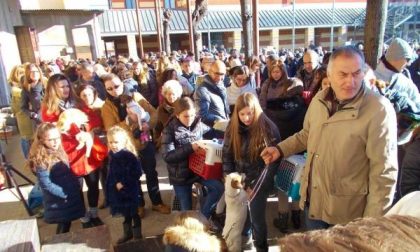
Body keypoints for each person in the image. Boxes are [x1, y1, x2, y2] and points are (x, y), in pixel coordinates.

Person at [261, 46, 398, 230]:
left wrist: (372, 226)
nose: (351, 81)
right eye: (343, 74)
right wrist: (279, 149)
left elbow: (383, 174)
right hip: (314, 205)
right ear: (329, 75)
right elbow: (307, 134)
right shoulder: (320, 99)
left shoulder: (378, 110)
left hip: (348, 217)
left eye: (357, 73)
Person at [42, 74, 108, 228]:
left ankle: (93, 213)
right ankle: (84, 217)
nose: (65, 89)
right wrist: (70, 130)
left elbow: (92, 119)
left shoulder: (77, 102)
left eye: (67, 86)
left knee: (93, 184)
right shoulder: (48, 108)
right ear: (53, 89)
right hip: (68, 154)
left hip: (87, 151)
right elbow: (50, 131)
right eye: (61, 87)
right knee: (76, 187)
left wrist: (87, 129)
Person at [101, 73, 171, 217]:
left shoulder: (136, 96)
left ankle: (157, 202)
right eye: (110, 89)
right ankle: (139, 205)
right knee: (132, 177)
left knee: (151, 173)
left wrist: (147, 124)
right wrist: (130, 123)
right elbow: (111, 129)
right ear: (105, 90)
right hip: (126, 147)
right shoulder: (107, 107)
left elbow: (153, 113)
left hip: (145, 142)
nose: (114, 90)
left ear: (122, 83)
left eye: (117, 86)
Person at [223, 92, 281, 251]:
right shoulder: (232, 126)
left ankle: (262, 247)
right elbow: (227, 155)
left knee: (257, 219)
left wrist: (255, 187)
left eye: (250, 113)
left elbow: (273, 163)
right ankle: (246, 241)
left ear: (256, 110)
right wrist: (230, 179)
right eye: (242, 114)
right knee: (241, 216)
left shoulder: (268, 127)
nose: (246, 118)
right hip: (239, 179)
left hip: (259, 181)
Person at [161, 97, 224, 220]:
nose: (189, 119)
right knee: (187, 211)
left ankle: (203, 218)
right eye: (186, 116)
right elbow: (167, 156)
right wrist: (191, 147)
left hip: (198, 171)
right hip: (180, 176)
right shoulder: (169, 130)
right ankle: (190, 231)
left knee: (218, 188)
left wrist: (227, 131)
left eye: (192, 115)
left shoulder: (198, 124)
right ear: (177, 115)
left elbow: (213, 133)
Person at [28, 123, 85, 234]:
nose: (55, 142)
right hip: (59, 199)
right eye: (50, 140)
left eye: (57, 138)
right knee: (64, 223)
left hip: (66, 195)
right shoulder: (42, 159)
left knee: (66, 222)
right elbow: (46, 184)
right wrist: (64, 193)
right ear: (42, 140)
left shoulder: (58, 151)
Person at [106, 126, 143, 244]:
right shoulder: (112, 155)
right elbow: (111, 173)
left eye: (116, 142)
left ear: (124, 141)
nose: (113, 145)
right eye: (110, 142)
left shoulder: (129, 156)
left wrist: (123, 183)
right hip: (119, 192)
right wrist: (113, 184)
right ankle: (127, 233)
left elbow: (137, 172)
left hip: (130, 190)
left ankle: (137, 235)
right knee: (126, 214)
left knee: (134, 213)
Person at [259, 59, 306, 140]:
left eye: (277, 72)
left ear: (282, 72)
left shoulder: (289, 82)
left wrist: (287, 94)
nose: (275, 74)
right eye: (273, 72)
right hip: (271, 118)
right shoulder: (267, 83)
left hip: (285, 119)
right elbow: (262, 99)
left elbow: (298, 85)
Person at [8, 64, 34, 158]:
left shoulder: (17, 90)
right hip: (26, 121)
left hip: (25, 120)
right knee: (28, 141)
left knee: (27, 140)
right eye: (20, 73)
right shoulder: (18, 91)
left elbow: (14, 109)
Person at [194, 60, 230, 127]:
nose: (219, 77)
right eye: (217, 73)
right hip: (212, 131)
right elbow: (202, 116)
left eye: (222, 74)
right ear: (210, 72)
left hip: (223, 127)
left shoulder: (221, 86)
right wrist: (218, 119)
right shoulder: (202, 90)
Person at [155, 80, 184, 149]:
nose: (171, 97)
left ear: (177, 94)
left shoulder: (183, 106)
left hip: (183, 140)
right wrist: (157, 139)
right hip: (168, 142)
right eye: (168, 94)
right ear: (165, 94)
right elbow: (158, 126)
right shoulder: (161, 109)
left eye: (173, 94)